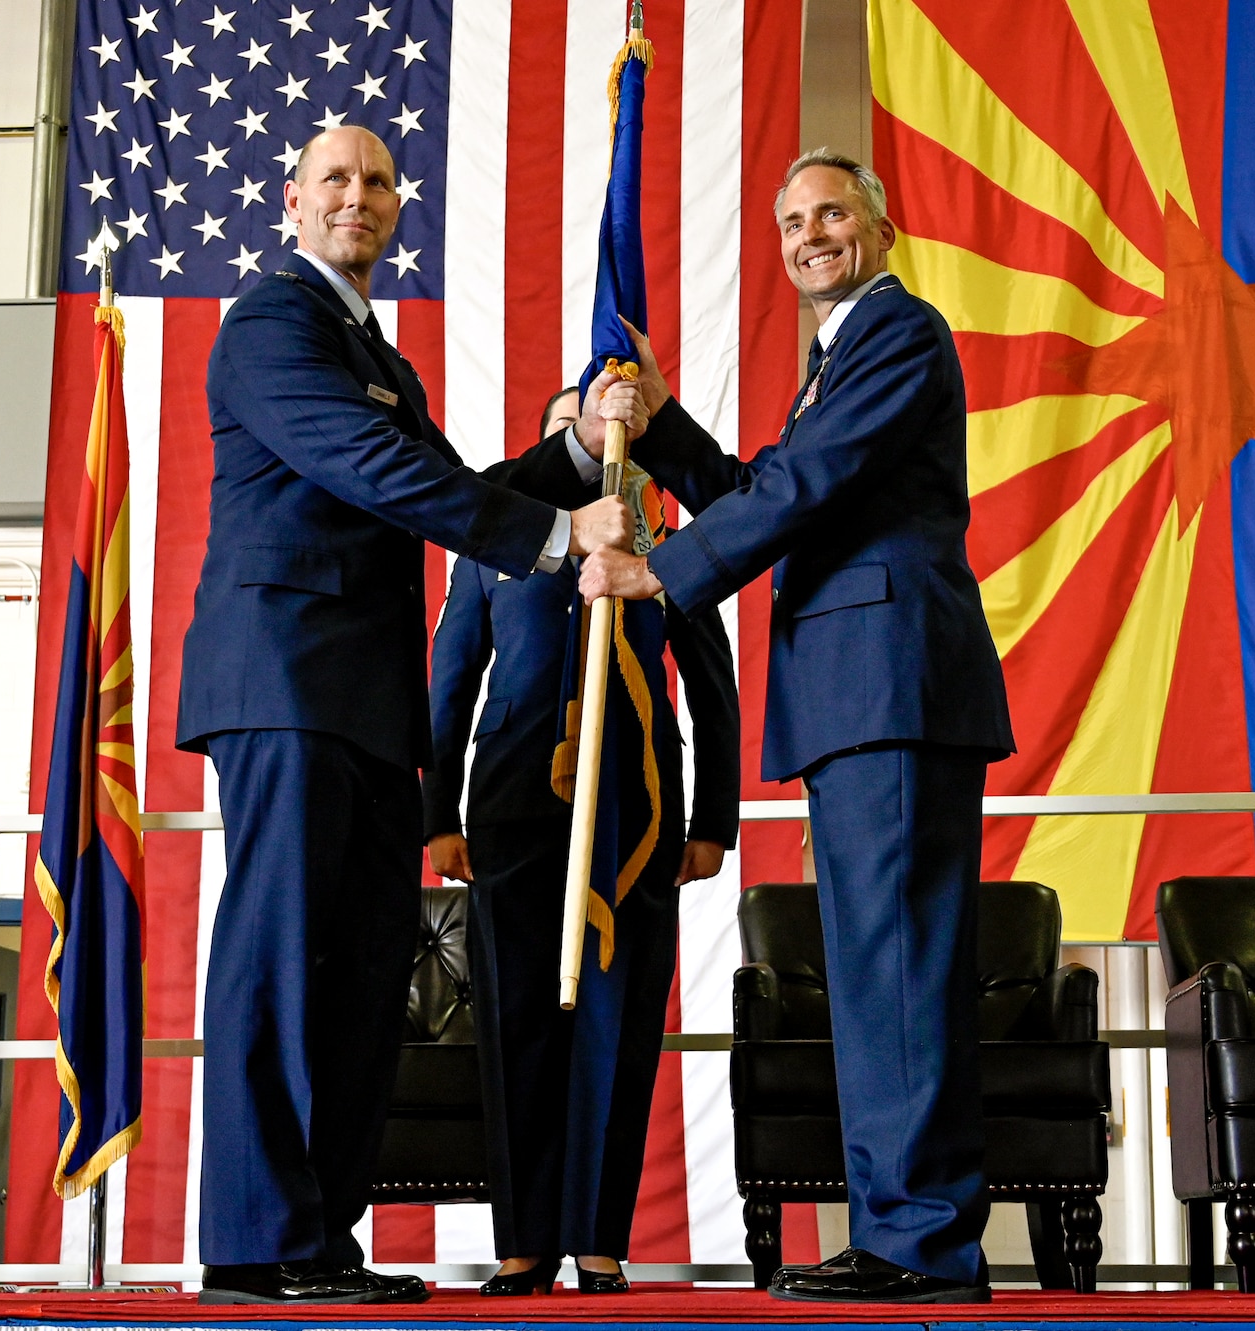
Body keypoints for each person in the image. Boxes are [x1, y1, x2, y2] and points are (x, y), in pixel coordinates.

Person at [177, 125, 644, 1305]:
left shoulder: (369, 346)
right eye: (335, 178)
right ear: (291, 200)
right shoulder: (271, 321)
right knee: (284, 956)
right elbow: (369, 466)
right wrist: (555, 533)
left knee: (359, 967)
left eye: (379, 181)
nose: (360, 197)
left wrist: (579, 448)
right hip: (284, 684)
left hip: (370, 708)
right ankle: (254, 1242)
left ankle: (315, 1237)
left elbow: (448, 473)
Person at [578, 149, 1015, 1304]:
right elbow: (773, 481)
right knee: (876, 967)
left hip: (893, 686)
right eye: (789, 222)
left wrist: (657, 573)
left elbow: (801, 485)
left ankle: (920, 1240)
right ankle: (899, 1228)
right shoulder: (834, 359)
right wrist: (664, 427)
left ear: (879, 222)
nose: (808, 233)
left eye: (830, 211)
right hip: (854, 694)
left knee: (901, 964)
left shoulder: (897, 334)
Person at [422, 388, 740, 1296]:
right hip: (516, 808)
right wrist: (438, 810)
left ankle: (599, 1238)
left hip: (634, 813)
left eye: (611, 430)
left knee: (618, 1017)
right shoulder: (495, 542)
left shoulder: (661, 544)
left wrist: (713, 817)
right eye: (578, 426)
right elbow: (451, 678)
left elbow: (712, 684)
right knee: (514, 1014)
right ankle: (524, 1241)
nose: (599, 443)